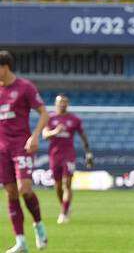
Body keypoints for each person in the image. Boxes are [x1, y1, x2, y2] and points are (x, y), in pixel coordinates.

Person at [0, 51, 49, 252]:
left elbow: (44, 113)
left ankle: (38, 225)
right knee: (11, 193)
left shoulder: (24, 87)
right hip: (2, 148)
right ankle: (20, 241)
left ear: (5, 67)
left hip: (21, 145)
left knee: (25, 189)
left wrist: (35, 136)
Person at [42, 94, 93, 224]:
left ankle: (63, 213)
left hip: (69, 155)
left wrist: (88, 153)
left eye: (65, 102)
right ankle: (65, 206)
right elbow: (45, 135)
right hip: (54, 155)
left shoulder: (74, 119)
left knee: (67, 183)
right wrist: (55, 132)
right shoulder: (50, 118)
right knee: (58, 185)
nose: (62, 104)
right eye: (60, 102)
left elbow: (83, 136)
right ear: (55, 103)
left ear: (68, 104)